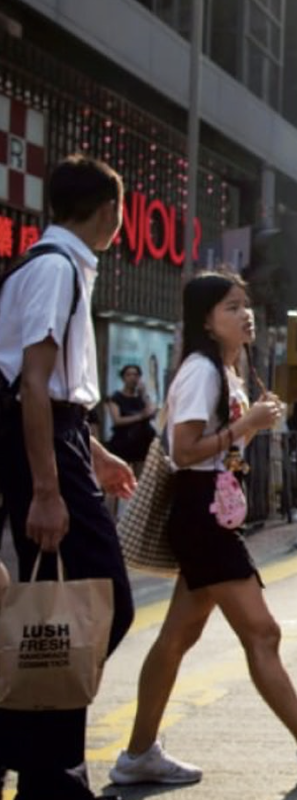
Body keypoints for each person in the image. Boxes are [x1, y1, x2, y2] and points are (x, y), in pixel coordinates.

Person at [108, 271, 297, 786]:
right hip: (202, 515)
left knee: (176, 637)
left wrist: (248, 425)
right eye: (231, 307)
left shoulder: (227, 372)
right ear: (207, 321)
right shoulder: (201, 372)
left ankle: (138, 753)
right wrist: (247, 425)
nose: (245, 314)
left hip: (209, 513)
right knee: (262, 631)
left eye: (246, 305)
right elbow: (184, 450)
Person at [0, 155, 137, 800]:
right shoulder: (56, 269)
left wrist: (95, 453)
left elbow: (52, 394)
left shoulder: (47, 264)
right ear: (109, 211)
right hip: (39, 446)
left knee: (65, 611)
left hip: (57, 438)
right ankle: (42, 766)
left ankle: (40, 762)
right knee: (95, 602)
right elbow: (32, 386)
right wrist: (49, 491)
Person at [105, 363, 157, 470]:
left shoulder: (141, 397)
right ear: (123, 378)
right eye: (129, 375)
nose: (132, 378)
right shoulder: (116, 397)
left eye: (135, 375)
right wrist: (140, 417)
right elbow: (117, 420)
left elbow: (151, 413)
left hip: (142, 443)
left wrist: (143, 394)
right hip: (124, 443)